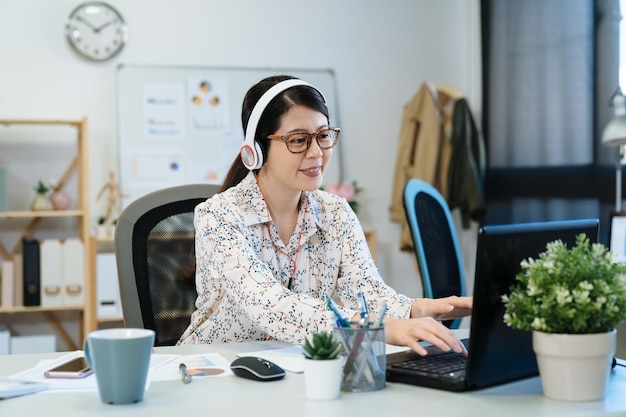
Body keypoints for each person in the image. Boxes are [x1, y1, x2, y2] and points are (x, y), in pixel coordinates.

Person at [178, 75, 472, 356]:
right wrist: (378, 328)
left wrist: (415, 310)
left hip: (298, 367)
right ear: (256, 150)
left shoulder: (335, 212)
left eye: (323, 135)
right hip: (217, 372)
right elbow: (269, 306)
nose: (316, 152)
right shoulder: (218, 216)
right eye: (298, 140)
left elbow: (366, 292)